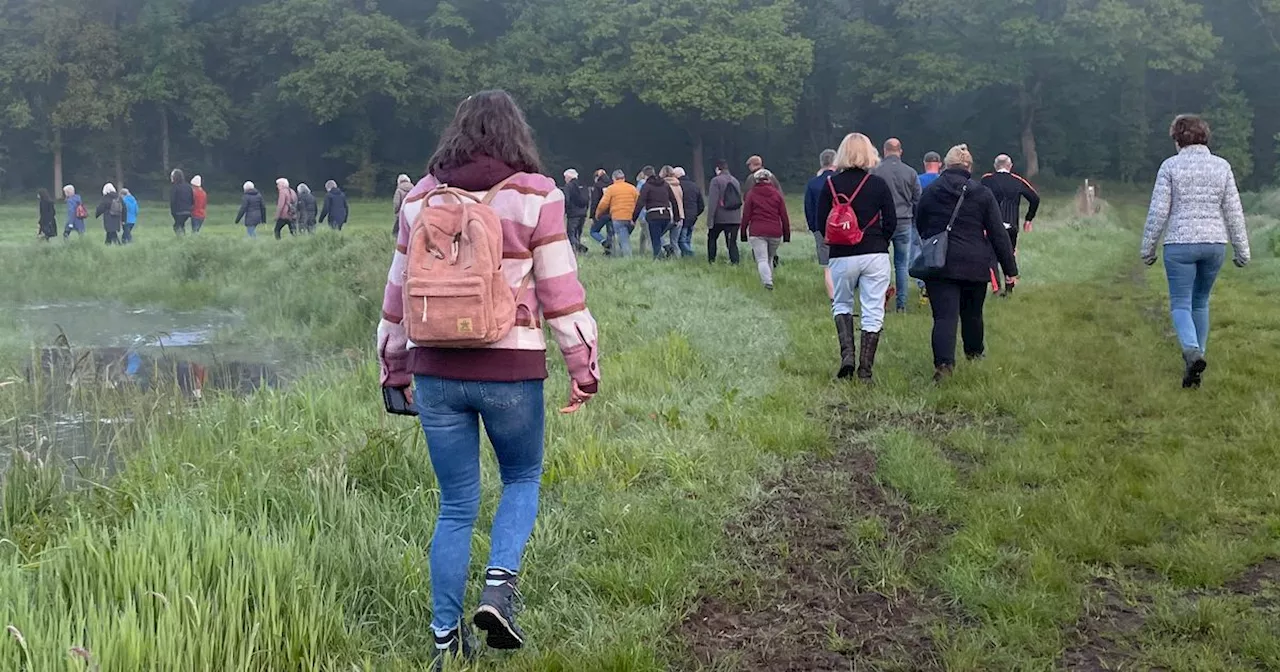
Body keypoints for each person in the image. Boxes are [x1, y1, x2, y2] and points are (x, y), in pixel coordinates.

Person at [375, 89, 600, 667]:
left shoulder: (420, 199)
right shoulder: (536, 194)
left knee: (455, 506)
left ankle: (446, 641)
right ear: (514, 133)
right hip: (511, 369)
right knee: (522, 478)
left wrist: (394, 367)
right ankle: (499, 589)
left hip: (436, 372)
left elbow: (397, 294)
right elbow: (561, 292)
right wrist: (583, 367)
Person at [1140, 114, 1251, 389]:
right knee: (1200, 301)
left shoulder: (1170, 167)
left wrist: (1148, 248)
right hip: (1214, 244)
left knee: (1180, 302)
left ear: (1177, 139)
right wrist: (1242, 251)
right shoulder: (1222, 166)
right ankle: (1196, 363)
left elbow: (1158, 212)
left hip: (1180, 243)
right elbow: (1234, 213)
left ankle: (1191, 352)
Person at [915, 144, 1018, 382]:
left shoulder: (931, 191)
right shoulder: (981, 193)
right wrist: (1010, 270)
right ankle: (974, 354)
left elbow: (920, 223)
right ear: (969, 167)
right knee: (972, 314)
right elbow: (997, 234)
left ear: (946, 165)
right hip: (975, 262)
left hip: (940, 263)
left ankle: (944, 365)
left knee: (944, 317)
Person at [816, 133, 897, 383]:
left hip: (842, 255)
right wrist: (880, 240)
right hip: (874, 252)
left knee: (842, 303)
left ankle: (847, 357)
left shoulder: (830, 184)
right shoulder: (878, 184)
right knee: (873, 310)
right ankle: (865, 371)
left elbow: (821, 222)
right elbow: (891, 221)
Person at [873, 138, 923, 313]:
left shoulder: (876, 172)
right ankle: (901, 305)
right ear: (900, 151)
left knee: (881, 263)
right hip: (904, 223)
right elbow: (918, 199)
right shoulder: (910, 172)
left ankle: (881, 299)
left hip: (881, 223)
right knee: (901, 265)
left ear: (884, 151)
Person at [981, 155, 1040, 296]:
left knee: (991, 257)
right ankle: (1009, 286)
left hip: (991, 225)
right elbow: (1035, 198)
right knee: (1009, 254)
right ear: (1010, 166)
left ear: (995, 166)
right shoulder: (1017, 181)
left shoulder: (986, 180)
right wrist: (1028, 219)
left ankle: (996, 289)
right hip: (1011, 226)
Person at [740, 169, 790, 290]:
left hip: (757, 231)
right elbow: (784, 215)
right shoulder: (777, 194)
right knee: (770, 258)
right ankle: (769, 280)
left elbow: (746, 215)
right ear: (769, 179)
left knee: (761, 259)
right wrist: (786, 234)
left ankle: (767, 282)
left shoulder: (751, 194)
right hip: (775, 232)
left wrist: (743, 233)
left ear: (756, 180)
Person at [804, 149, 838, 298]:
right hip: (843, 227)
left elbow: (808, 207)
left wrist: (814, 227)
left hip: (821, 227)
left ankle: (832, 297)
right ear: (835, 162)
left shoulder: (813, 183)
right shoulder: (841, 180)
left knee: (827, 266)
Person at [634, 166, 681, 260]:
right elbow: (673, 200)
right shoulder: (665, 184)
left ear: (645, 175)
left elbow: (640, 203)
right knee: (659, 235)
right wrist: (676, 217)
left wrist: (634, 218)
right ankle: (667, 248)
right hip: (666, 215)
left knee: (655, 239)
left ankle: (658, 258)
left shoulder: (646, 186)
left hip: (653, 215)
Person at [705, 159, 743, 264]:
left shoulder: (716, 181)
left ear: (717, 169)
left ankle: (711, 261)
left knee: (712, 238)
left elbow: (713, 201)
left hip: (720, 218)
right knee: (732, 242)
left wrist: (710, 220)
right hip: (735, 218)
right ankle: (735, 262)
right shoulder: (735, 181)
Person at [594, 170, 638, 257]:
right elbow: (638, 202)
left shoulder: (611, 189)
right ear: (624, 178)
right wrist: (635, 217)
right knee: (624, 238)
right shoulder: (632, 188)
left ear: (613, 178)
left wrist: (597, 214)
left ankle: (627, 259)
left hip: (618, 218)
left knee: (624, 240)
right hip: (630, 218)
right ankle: (622, 254)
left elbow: (603, 204)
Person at [674, 167, 704, 257]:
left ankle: (691, 255)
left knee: (681, 240)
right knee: (687, 239)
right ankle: (686, 258)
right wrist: (696, 214)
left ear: (677, 176)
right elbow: (701, 205)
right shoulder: (694, 186)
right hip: (693, 217)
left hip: (683, 216)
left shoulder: (678, 186)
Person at [658, 166, 686, 257]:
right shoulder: (678, 185)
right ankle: (677, 261)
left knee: (657, 235)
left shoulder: (663, 186)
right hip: (680, 216)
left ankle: (666, 247)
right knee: (675, 241)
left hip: (669, 214)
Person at [561, 169, 590, 254]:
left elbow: (566, 200)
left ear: (569, 177)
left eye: (565, 177)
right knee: (578, 233)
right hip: (583, 213)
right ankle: (577, 252)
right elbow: (588, 199)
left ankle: (581, 248)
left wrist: (565, 211)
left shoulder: (568, 186)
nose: (565, 179)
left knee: (570, 234)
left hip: (573, 214)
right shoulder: (583, 185)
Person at [588, 169, 613, 253]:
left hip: (601, 212)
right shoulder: (612, 184)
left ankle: (604, 242)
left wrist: (592, 215)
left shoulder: (597, 185)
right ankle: (609, 251)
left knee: (593, 231)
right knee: (610, 233)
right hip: (612, 212)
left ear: (597, 177)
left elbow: (594, 201)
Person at [634, 166, 654, 255]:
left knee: (648, 235)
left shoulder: (641, 184)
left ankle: (656, 253)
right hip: (651, 212)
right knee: (644, 234)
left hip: (643, 213)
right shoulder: (654, 183)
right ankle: (641, 252)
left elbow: (637, 199)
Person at [170, 169, 194, 235]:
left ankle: (181, 239)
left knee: (177, 226)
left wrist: (173, 211)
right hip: (188, 211)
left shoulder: (175, 187)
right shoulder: (188, 186)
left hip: (179, 211)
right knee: (181, 225)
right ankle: (183, 237)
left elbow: (173, 200)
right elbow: (192, 199)